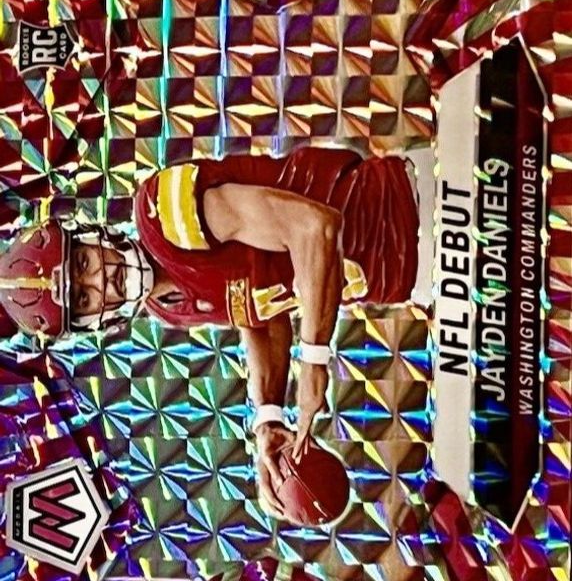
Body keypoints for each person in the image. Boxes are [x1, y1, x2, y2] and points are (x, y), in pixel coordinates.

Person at [0, 146, 419, 520]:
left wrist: (313, 361)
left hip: (407, 205)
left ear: (89, 236)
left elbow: (313, 226)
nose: (101, 281)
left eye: (83, 264)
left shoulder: (163, 213)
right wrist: (268, 418)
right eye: (84, 298)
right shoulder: (168, 308)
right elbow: (261, 317)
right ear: (91, 322)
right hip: (407, 280)